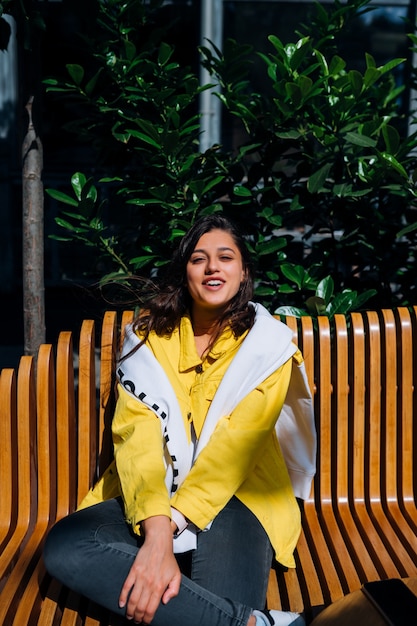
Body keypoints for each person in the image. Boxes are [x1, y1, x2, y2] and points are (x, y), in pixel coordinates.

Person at [43, 214, 316, 626]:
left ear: (243, 273)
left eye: (225, 257)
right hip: (152, 496)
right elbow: (137, 438)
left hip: (238, 495)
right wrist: (157, 535)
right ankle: (254, 623)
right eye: (198, 259)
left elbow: (235, 451)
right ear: (185, 272)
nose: (212, 267)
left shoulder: (267, 346)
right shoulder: (149, 339)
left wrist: (167, 533)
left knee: (210, 600)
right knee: (69, 547)